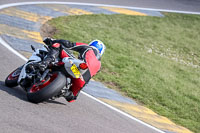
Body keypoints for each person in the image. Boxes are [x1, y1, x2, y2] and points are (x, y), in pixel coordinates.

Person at [40, 37, 106, 102]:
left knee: (58, 45)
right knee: (72, 97)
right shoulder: (99, 65)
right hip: (81, 79)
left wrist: (53, 41)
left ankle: (45, 63)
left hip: (74, 68)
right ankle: (64, 92)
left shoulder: (88, 48)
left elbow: (69, 45)